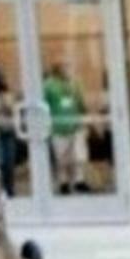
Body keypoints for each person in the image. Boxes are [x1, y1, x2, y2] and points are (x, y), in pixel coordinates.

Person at [43, 64, 90, 194]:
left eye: (68, 68)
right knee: (61, 157)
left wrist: (85, 120)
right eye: (64, 68)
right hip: (58, 127)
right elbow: (43, 106)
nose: (67, 70)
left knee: (80, 155)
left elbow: (81, 104)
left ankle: (79, 181)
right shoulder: (48, 86)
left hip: (76, 126)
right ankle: (63, 182)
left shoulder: (74, 84)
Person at [0, 67, 18, 197]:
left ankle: (9, 188)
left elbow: (11, 108)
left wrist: (3, 101)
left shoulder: (6, 95)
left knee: (9, 162)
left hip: (8, 130)